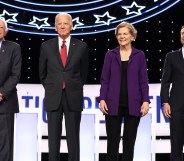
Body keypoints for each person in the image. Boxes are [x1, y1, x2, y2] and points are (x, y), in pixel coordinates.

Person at [97, 21, 150, 161]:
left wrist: (145, 101)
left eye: (125, 33)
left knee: (129, 143)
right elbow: (105, 79)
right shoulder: (110, 55)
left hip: (134, 104)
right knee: (112, 143)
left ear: (133, 36)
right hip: (112, 104)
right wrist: (102, 99)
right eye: (119, 34)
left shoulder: (139, 55)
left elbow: (143, 81)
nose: (121, 36)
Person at [39, 13, 89, 161]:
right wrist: (52, 87)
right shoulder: (46, 46)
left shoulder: (81, 46)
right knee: (53, 139)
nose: (62, 26)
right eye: (59, 23)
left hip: (73, 97)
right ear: (55, 27)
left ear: (71, 26)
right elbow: (42, 73)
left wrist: (73, 86)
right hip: (53, 97)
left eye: (65, 23)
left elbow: (84, 73)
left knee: (73, 139)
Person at [160, 25, 184, 161]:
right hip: (176, 107)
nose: (183, 35)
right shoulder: (171, 56)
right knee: (176, 145)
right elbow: (165, 82)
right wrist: (165, 102)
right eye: (182, 33)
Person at [0, 19, 22, 161]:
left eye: (1, 27)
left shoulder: (14, 47)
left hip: (5, 103)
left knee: (5, 146)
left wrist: (1, 93)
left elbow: (15, 74)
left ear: (6, 31)